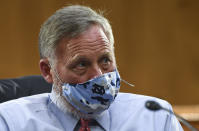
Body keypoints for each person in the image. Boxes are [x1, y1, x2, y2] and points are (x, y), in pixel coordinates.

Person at [0, 5, 183, 131]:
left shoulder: (155, 117)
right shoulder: (10, 122)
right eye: (81, 64)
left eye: (105, 60)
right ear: (48, 70)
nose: (99, 76)